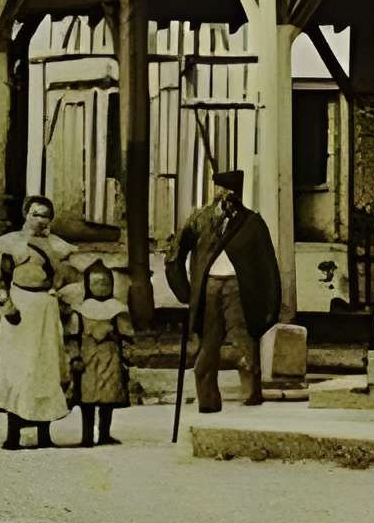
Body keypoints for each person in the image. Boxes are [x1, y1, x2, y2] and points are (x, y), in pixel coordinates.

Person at [164, 167, 281, 413]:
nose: (226, 195)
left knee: (244, 343)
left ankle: (251, 398)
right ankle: (207, 400)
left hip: (239, 288)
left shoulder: (252, 223)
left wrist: (271, 304)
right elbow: (176, 253)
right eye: (222, 190)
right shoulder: (200, 220)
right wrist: (185, 292)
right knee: (207, 346)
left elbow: (267, 265)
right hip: (208, 287)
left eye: (231, 191)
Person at [0, 194, 78, 450]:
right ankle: (12, 434)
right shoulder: (10, 244)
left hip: (46, 309)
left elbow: (69, 277)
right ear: (26, 214)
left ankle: (45, 434)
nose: (39, 219)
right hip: (20, 308)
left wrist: (61, 292)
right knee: (18, 367)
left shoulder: (57, 246)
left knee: (45, 368)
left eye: (45, 215)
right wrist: (6, 303)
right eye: (35, 213)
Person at [68, 259, 135, 445]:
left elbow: (126, 333)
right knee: (87, 400)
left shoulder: (117, 309)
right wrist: (74, 356)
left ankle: (104, 434)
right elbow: (73, 336)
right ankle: (87, 436)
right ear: (88, 285)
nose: (101, 287)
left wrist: (124, 351)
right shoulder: (80, 310)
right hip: (87, 358)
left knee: (108, 399)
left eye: (105, 283)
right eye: (96, 283)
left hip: (110, 357)